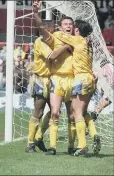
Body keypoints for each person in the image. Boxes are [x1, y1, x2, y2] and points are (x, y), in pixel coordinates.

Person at [33, 0, 76, 155]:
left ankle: (71, 147)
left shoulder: (78, 39)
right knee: (55, 112)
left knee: (72, 115)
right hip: (57, 79)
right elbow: (41, 28)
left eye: (70, 24)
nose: (68, 26)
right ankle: (52, 147)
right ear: (60, 26)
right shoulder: (55, 37)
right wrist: (36, 13)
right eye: (65, 24)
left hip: (72, 80)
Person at [52, 19, 100, 155]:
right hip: (90, 79)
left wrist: (57, 28)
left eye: (73, 26)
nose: (71, 28)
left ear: (77, 30)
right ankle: (94, 133)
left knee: (76, 113)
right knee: (82, 112)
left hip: (81, 79)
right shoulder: (88, 44)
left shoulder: (77, 40)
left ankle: (82, 145)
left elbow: (60, 35)